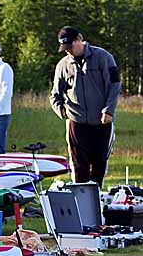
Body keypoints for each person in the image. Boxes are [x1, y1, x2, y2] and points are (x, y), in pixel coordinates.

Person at [50, 26, 121, 188]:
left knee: (99, 164)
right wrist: (61, 111)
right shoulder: (62, 65)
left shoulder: (103, 57)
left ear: (79, 40)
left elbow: (114, 85)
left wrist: (109, 110)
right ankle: (80, 198)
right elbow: (55, 94)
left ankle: (95, 197)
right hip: (76, 123)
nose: (68, 51)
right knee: (78, 165)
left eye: (70, 46)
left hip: (101, 122)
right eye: (65, 48)